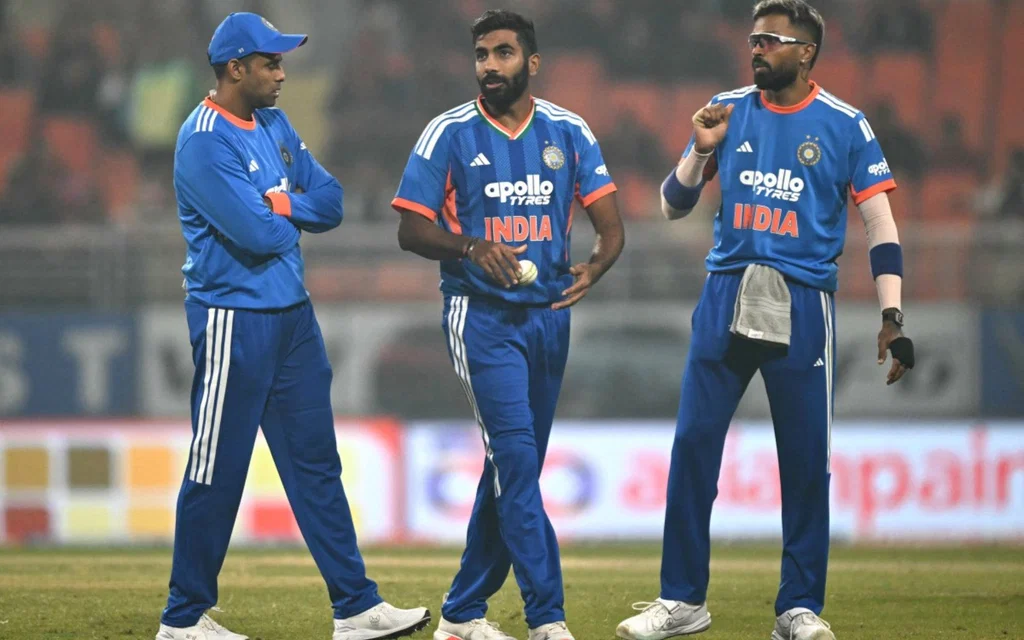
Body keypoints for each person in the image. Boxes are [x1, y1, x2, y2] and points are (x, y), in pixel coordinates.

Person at [615, 1, 915, 639]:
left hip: (803, 300)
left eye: (772, 40)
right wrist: (700, 152)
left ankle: (799, 608)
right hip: (726, 290)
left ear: (807, 53)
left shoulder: (845, 124)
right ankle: (682, 601)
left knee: (805, 461)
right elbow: (672, 206)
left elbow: (880, 223)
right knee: (694, 445)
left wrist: (891, 313)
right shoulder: (726, 109)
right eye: (753, 39)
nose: (757, 49)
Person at [157, 13, 429, 640]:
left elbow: (328, 202)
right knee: (216, 467)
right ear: (235, 69)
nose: (282, 73)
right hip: (235, 320)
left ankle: (355, 608)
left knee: (315, 466)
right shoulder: (203, 140)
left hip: (292, 319)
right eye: (271, 63)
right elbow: (257, 235)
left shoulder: (274, 123)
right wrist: (286, 215)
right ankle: (183, 620)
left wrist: (282, 205)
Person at [393, 10, 625, 640]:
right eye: (481, 55)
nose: (489, 66)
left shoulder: (568, 131)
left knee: (510, 471)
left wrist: (596, 267)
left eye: (502, 53)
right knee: (518, 465)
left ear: (532, 62)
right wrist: (471, 248)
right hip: (481, 318)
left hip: (550, 319)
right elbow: (410, 228)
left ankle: (463, 614)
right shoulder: (447, 132)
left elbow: (611, 227)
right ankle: (547, 619)